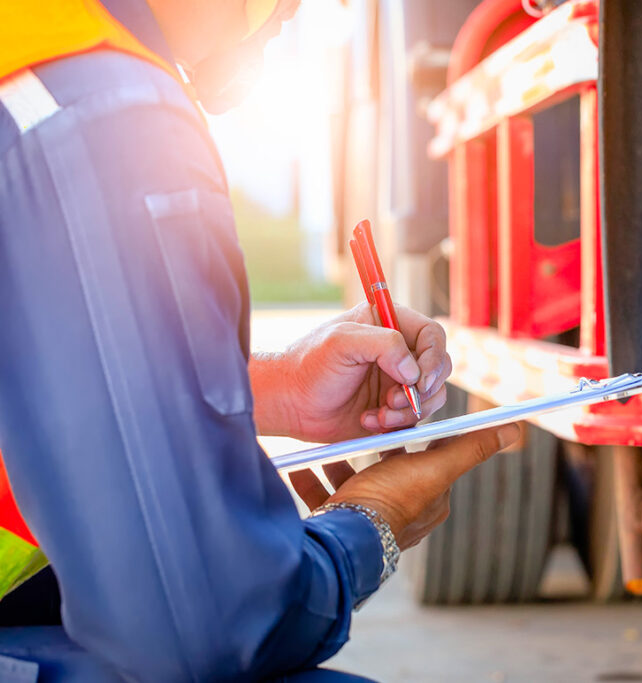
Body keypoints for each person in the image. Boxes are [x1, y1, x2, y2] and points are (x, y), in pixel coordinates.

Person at [0, 1, 519, 680]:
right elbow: (201, 628)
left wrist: (276, 388)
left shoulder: (35, 48)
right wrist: (372, 526)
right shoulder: (94, 107)